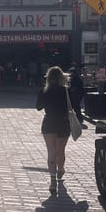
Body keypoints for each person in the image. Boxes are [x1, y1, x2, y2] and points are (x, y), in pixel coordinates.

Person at [36, 66, 70, 195]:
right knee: (60, 151)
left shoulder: (44, 91)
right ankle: (60, 170)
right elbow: (73, 106)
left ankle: (52, 180)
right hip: (63, 122)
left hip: (49, 122)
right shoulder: (66, 91)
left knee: (51, 151)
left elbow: (38, 107)